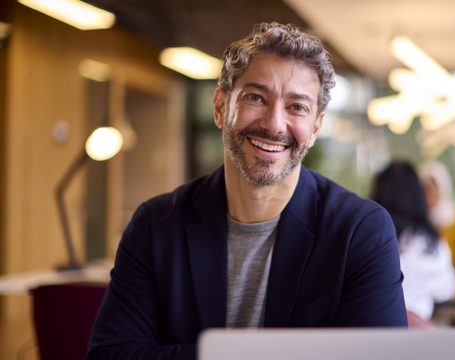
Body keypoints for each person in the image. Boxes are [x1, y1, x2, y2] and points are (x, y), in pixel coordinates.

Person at [87, 22, 407, 360]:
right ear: (221, 107)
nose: (274, 124)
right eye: (256, 97)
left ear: (315, 128)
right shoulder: (155, 225)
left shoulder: (361, 231)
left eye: (297, 107)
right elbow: (111, 355)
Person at [371, 161, 455, 326]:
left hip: (371, 334)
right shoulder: (429, 242)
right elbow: (446, 289)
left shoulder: (365, 235)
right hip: (416, 335)